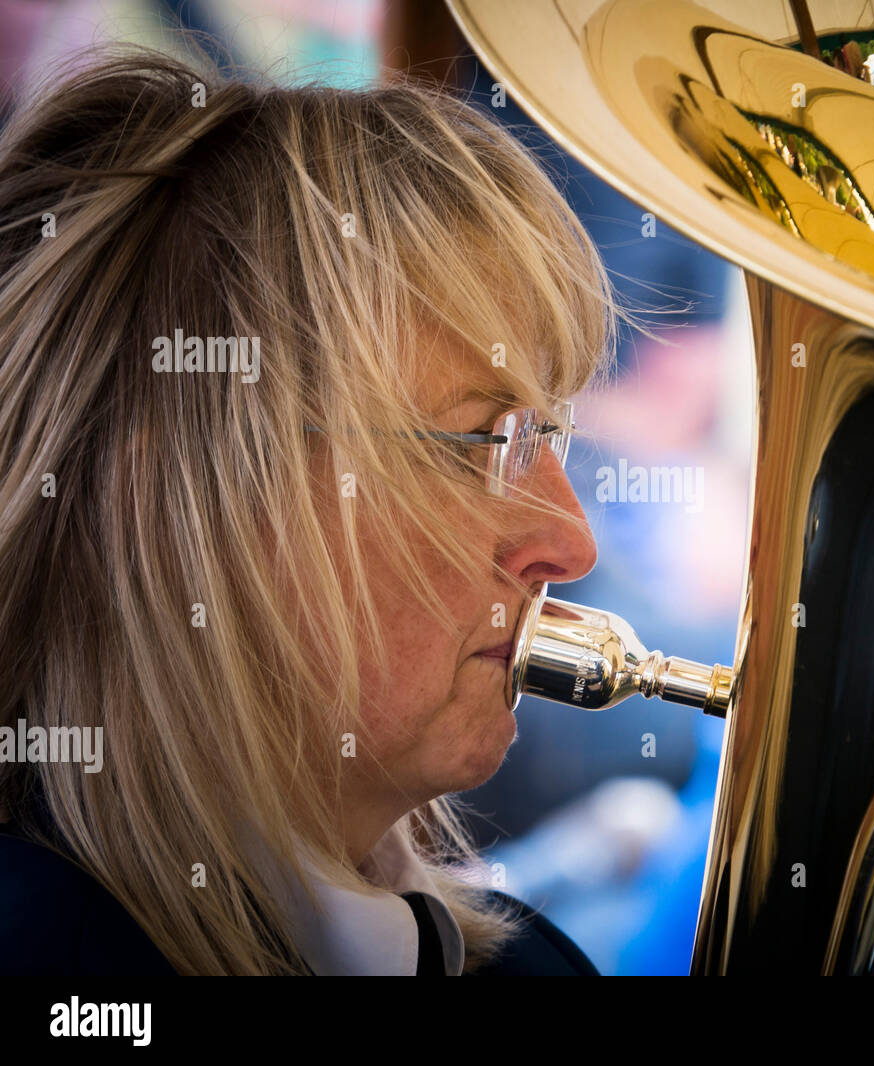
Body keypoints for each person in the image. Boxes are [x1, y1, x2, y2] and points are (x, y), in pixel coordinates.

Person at [0, 47, 618, 975]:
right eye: (487, 442)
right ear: (179, 512)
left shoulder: (534, 966)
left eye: (549, 437)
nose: (572, 544)